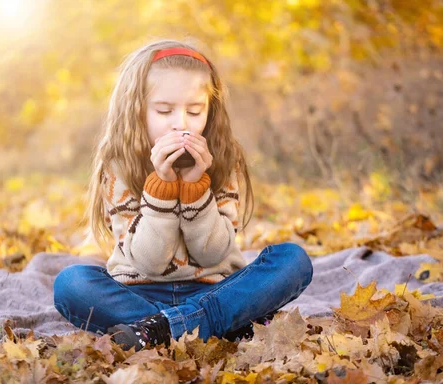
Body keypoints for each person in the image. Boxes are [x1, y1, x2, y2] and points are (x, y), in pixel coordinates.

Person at [53, 39, 313, 352]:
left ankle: (161, 330)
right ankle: (212, 326)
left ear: (210, 110)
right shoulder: (119, 164)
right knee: (71, 283)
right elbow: (149, 263)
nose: (181, 123)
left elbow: (213, 255)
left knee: (293, 260)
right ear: (138, 111)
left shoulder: (223, 159)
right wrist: (161, 186)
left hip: (217, 290)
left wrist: (194, 188)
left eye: (194, 110)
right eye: (164, 110)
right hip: (139, 293)